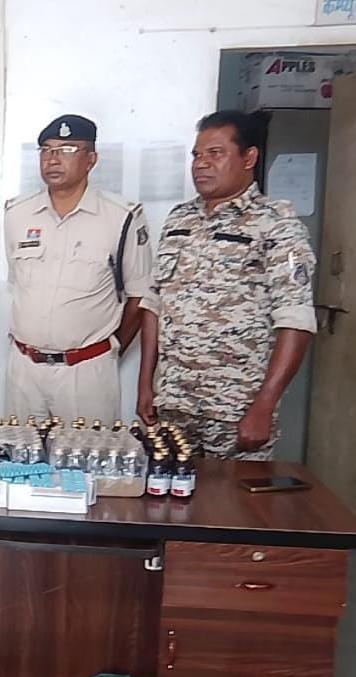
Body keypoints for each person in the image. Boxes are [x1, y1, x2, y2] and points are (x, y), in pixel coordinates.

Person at [137, 110, 317, 460]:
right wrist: (146, 384)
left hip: (236, 410)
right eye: (197, 155)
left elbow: (296, 320)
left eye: (215, 153)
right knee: (169, 492)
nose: (201, 164)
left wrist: (264, 405)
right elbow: (154, 304)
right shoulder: (179, 219)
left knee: (232, 496)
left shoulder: (276, 223)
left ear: (249, 158)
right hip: (174, 404)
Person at [4, 114, 151, 422]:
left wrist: (109, 349)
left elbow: (140, 297)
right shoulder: (17, 213)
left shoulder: (121, 217)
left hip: (86, 374)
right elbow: (19, 285)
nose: (53, 159)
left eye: (67, 149)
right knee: (19, 451)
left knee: (87, 452)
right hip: (24, 370)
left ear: (91, 159)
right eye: (46, 149)